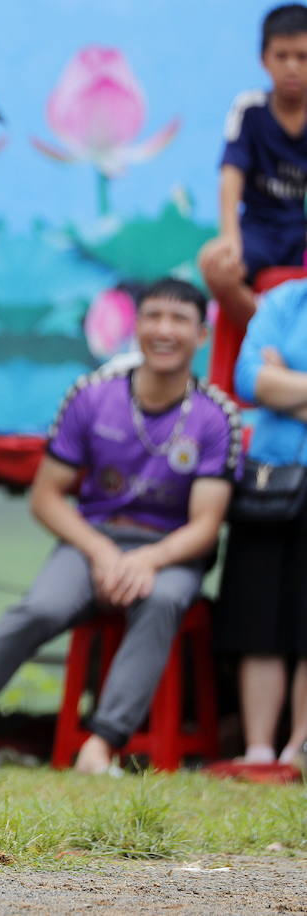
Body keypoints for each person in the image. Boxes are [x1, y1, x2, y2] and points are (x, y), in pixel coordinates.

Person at [0, 279, 238, 775]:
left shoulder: (216, 416)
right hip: (92, 541)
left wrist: (146, 560)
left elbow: (206, 526)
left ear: (202, 335)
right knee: (40, 608)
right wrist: (103, 552)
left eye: (179, 320)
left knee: (163, 601)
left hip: (169, 552)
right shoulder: (91, 395)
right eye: (153, 317)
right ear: (136, 326)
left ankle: (101, 746)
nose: (164, 330)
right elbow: (45, 498)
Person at [217, 277, 307, 770]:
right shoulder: (285, 300)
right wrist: (271, 381)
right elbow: (250, 379)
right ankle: (258, 750)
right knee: (259, 614)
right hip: (270, 478)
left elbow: (271, 385)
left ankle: (299, 749)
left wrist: (286, 382)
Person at [198, 3, 307, 325]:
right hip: (258, 230)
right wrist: (230, 238)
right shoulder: (249, 110)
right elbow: (231, 175)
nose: (292, 66)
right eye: (281, 55)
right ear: (264, 59)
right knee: (215, 265)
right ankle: (270, 326)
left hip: (300, 230)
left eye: (302, 57)